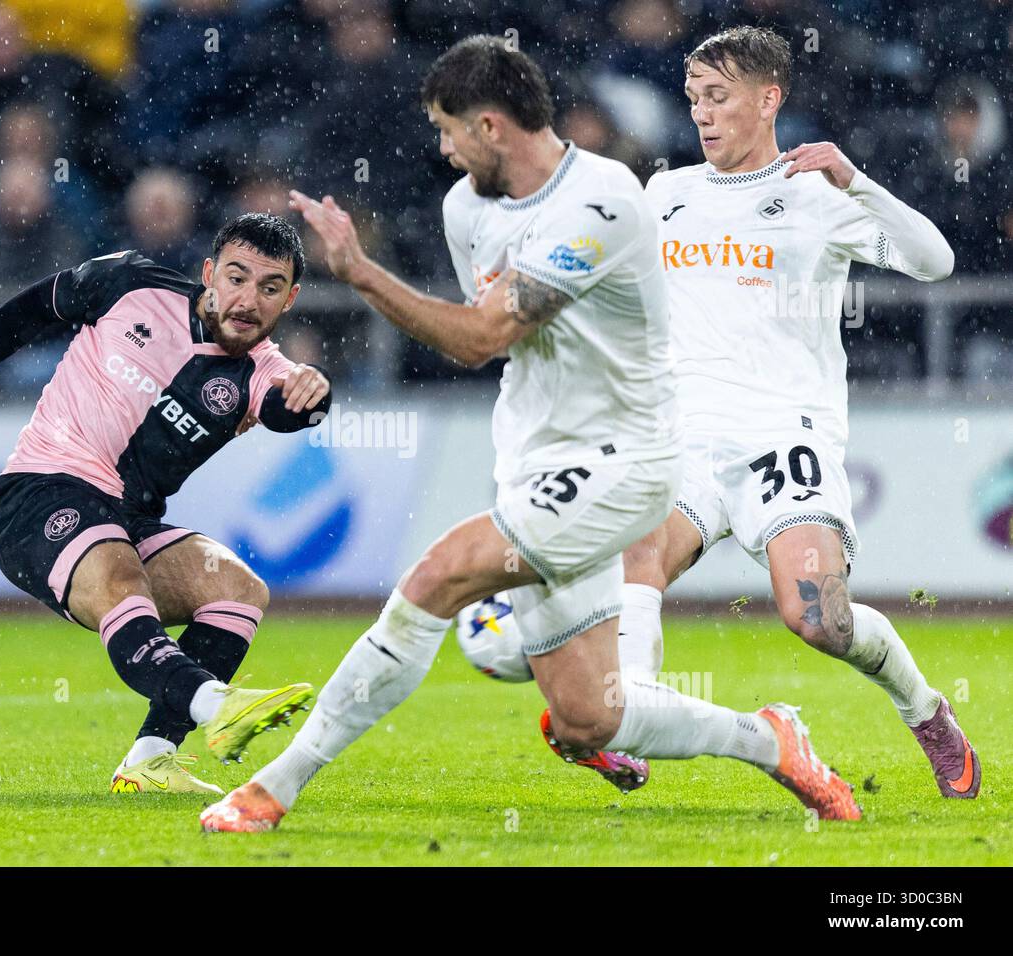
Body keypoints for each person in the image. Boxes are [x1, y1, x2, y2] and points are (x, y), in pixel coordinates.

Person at [201, 36, 860, 833]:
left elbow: (479, 335)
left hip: (626, 459)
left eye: (448, 130)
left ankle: (276, 789)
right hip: (536, 460)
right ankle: (771, 739)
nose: (443, 150)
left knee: (436, 577)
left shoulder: (606, 200)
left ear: (490, 126)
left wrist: (364, 272)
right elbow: (491, 341)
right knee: (591, 718)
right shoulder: (464, 208)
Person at [619, 26, 977, 798]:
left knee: (818, 618)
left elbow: (936, 261)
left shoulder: (819, 194)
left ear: (767, 98)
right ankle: (630, 725)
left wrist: (858, 182)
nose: (703, 116)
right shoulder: (666, 194)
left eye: (718, 98)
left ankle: (927, 712)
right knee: (636, 560)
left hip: (783, 436)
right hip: (683, 437)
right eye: (693, 100)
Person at [0, 214, 331, 796]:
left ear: (289, 300)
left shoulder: (264, 371)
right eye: (237, 278)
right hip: (39, 494)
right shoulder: (133, 283)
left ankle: (150, 759)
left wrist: (317, 393)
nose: (248, 300)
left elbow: (293, 410)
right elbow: (38, 306)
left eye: (269, 288)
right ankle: (218, 706)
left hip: (127, 521)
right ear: (209, 273)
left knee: (238, 590)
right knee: (118, 573)